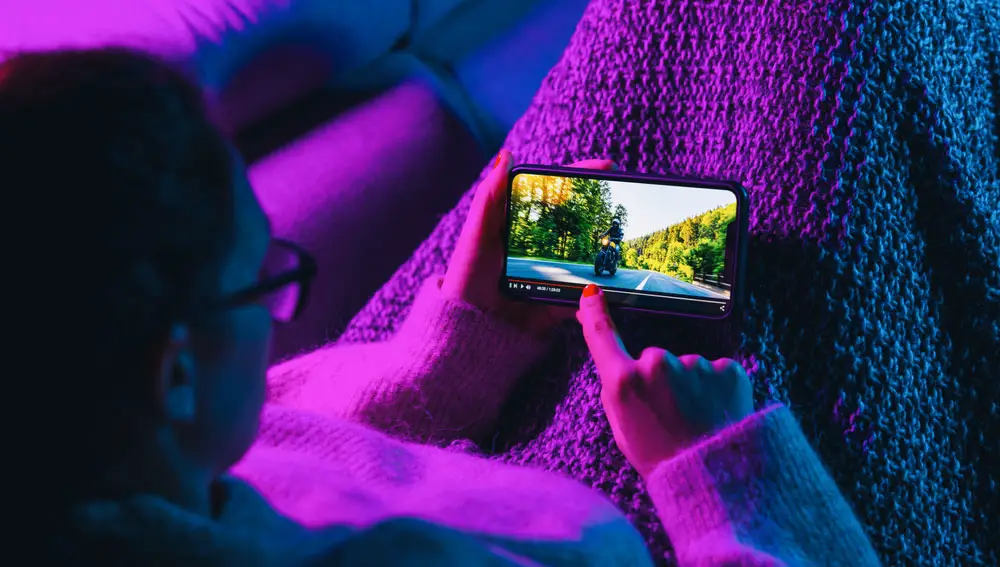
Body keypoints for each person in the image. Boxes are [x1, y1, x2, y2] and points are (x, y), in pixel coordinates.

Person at [2, 48, 881, 566]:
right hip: (700, 521)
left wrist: (452, 349)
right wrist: (723, 471)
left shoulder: (90, 453)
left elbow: (281, 439)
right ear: (177, 371)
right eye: (263, 275)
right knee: (860, 78)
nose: (279, 311)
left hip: (475, 442)